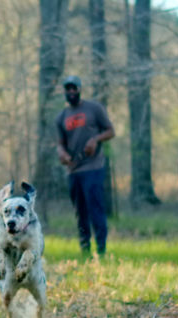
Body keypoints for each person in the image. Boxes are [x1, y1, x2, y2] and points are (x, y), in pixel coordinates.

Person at [55, 75, 115, 256]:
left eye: (74, 88)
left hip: (93, 167)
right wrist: (62, 153)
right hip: (74, 170)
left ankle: (101, 250)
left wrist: (95, 140)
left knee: (95, 209)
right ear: (65, 92)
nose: (71, 92)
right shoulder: (62, 117)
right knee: (80, 212)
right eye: (68, 89)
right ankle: (85, 250)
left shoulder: (94, 109)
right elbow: (60, 143)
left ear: (80, 89)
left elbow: (111, 131)